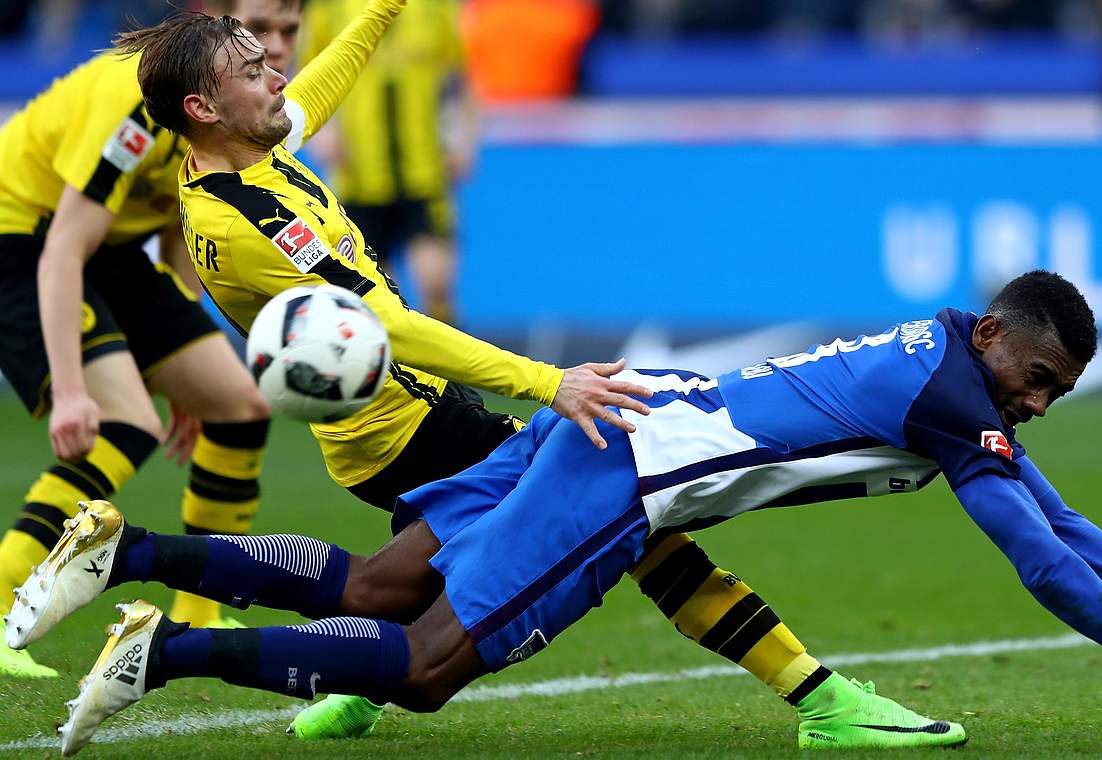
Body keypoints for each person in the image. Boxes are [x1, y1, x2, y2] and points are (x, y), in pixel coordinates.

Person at [15, 271, 1102, 756]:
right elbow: (1043, 570)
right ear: (996, 337)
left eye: (1051, 396)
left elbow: (1064, 522)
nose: (1036, 408)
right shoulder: (954, 394)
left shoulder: (951, 368)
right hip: (626, 474)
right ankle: (167, 648)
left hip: (619, 413)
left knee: (377, 591)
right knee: (420, 674)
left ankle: (127, 548)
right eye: (1035, 382)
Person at [96, 2, 932, 747]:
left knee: (385, 591)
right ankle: (820, 697)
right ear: (205, 108)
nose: (278, 74)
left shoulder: (243, 161)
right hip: (406, 423)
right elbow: (393, 329)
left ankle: (167, 582)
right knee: (640, 524)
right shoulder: (247, 220)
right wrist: (548, 383)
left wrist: (381, 11)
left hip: (400, 420)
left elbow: (319, 84)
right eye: (255, 69)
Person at [0, 0, 293, 681]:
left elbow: (183, 222)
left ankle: (199, 609)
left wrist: (181, 364)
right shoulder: (134, 110)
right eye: (261, 38)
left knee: (238, 404)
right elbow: (64, 249)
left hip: (113, 243)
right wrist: (72, 394)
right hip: (26, 238)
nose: (278, 52)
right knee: (123, 423)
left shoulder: (231, 106)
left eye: (287, 33)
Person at [300, 0, 472, 325]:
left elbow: (459, 78)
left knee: (436, 283)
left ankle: (450, 371)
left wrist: (463, 138)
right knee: (382, 300)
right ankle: (399, 371)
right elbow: (310, 74)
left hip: (424, 172)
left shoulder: (437, 8)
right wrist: (324, 132)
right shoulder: (329, 9)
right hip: (359, 177)